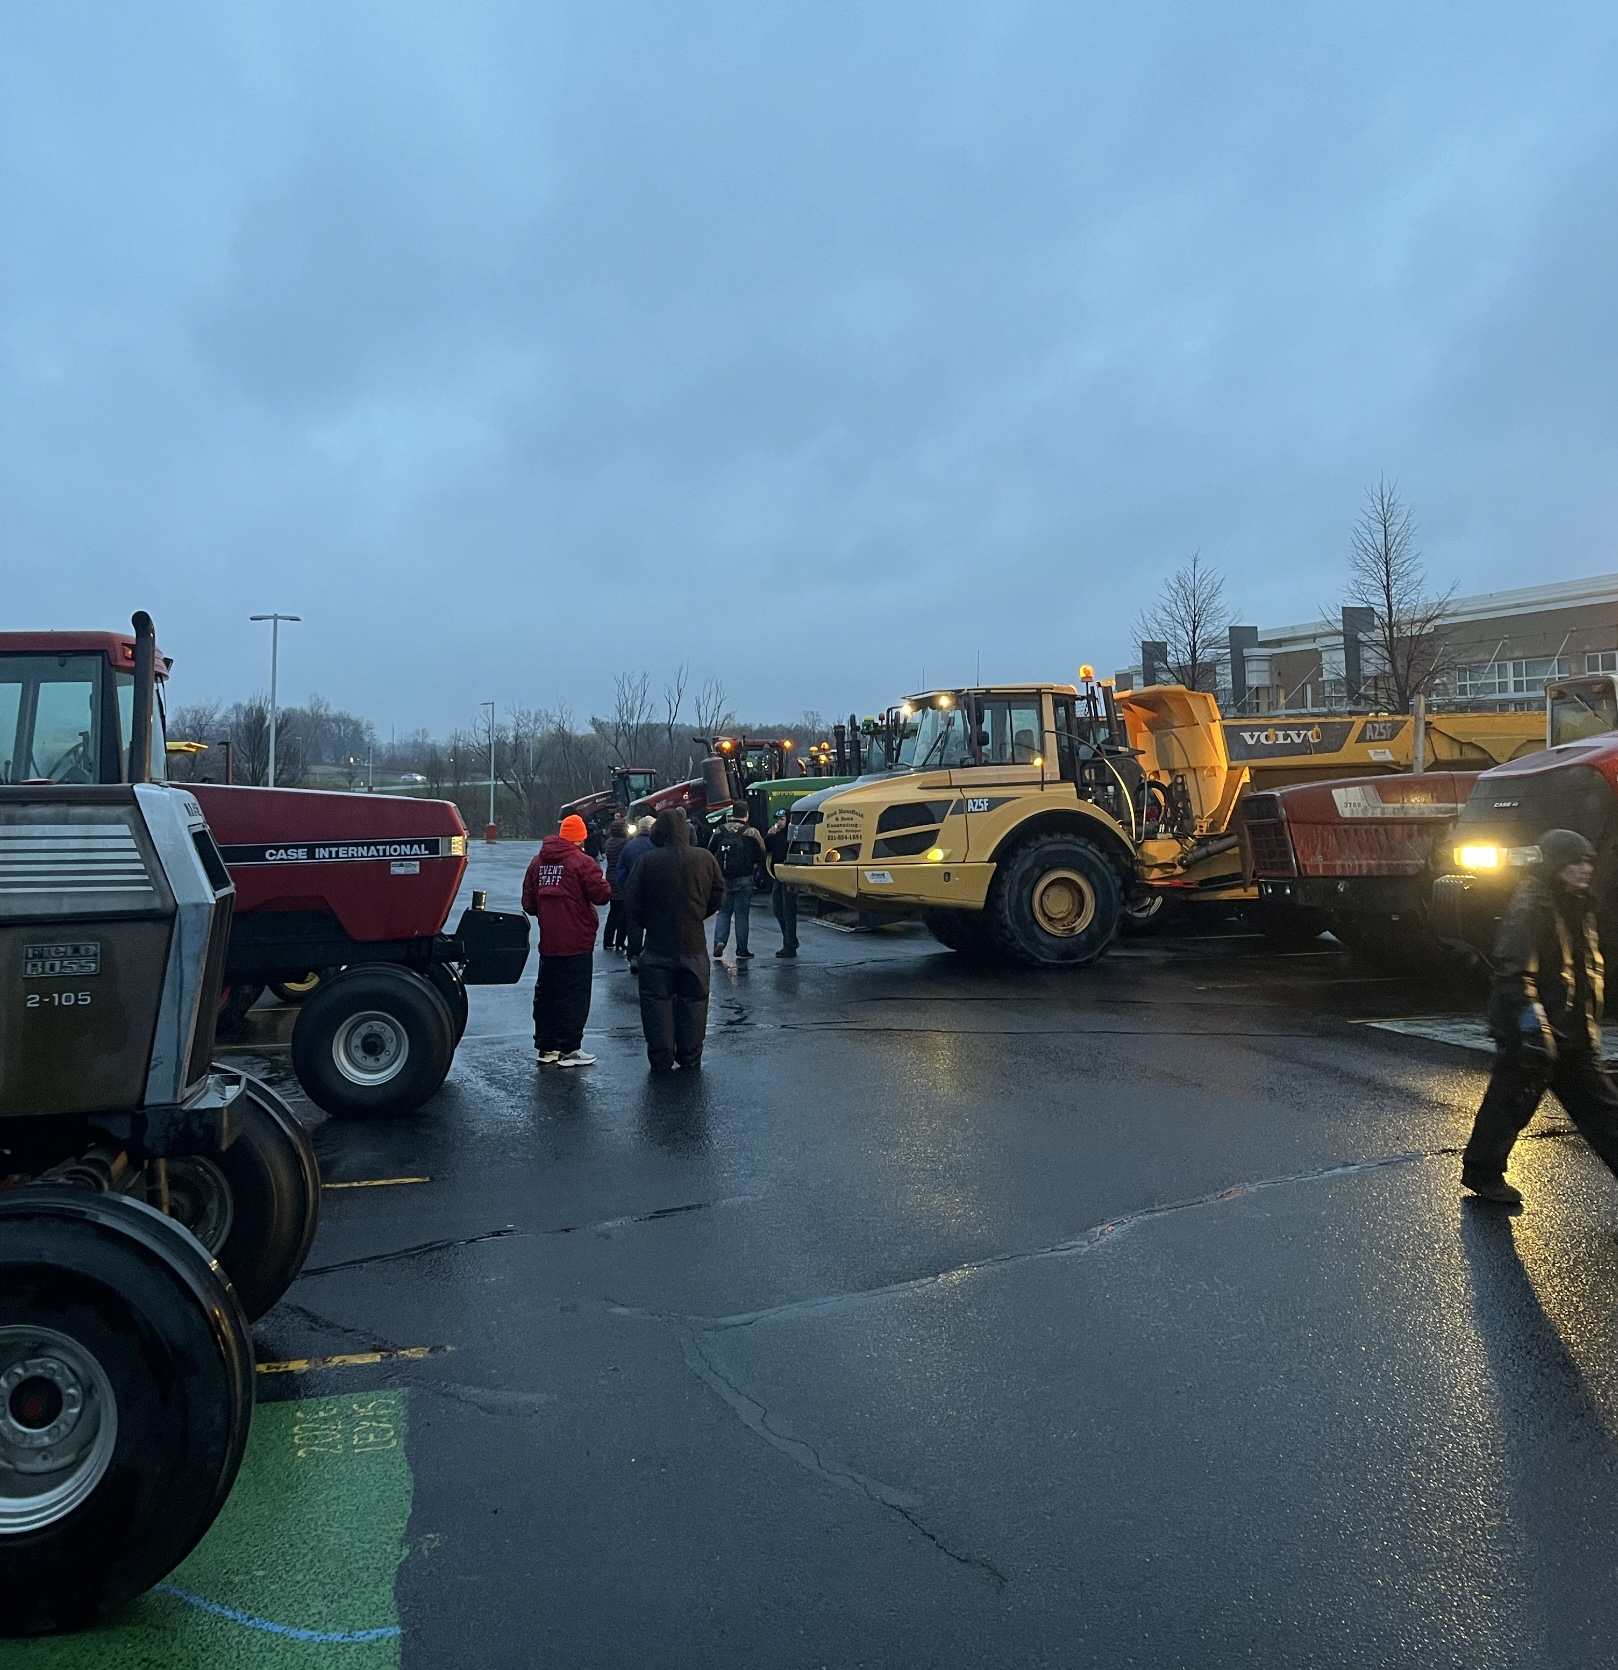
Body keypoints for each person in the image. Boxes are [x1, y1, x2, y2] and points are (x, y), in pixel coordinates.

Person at [1461, 827, 1618, 1205]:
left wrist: (1583, 1026)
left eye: (1588, 862)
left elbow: (1583, 972)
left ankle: (1483, 1171)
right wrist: (1532, 1028)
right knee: (1510, 1102)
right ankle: (1483, 1173)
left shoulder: (1578, 905)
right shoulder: (1531, 908)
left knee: (1604, 1112)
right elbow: (1514, 972)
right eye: (1575, 862)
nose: (1585, 869)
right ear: (1555, 865)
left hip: (1569, 1032)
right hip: (1533, 1033)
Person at [622, 807, 726, 1072]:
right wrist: (698, 914)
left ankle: (661, 1056)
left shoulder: (647, 862)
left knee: (657, 1002)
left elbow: (631, 902)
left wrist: (649, 923)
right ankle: (690, 1055)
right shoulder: (705, 859)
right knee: (694, 1001)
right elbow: (718, 896)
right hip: (693, 946)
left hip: (657, 946)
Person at [521, 812, 611, 1068]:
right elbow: (602, 894)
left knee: (547, 994)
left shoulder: (538, 862)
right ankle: (570, 1049)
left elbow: (528, 904)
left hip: (549, 941)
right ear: (580, 838)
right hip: (577, 939)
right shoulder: (581, 862)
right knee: (574, 995)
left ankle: (547, 1046)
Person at [710, 813, 767, 962]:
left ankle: (719, 941)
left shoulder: (720, 830)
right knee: (742, 915)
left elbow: (710, 850)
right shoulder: (751, 832)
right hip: (744, 878)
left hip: (724, 877)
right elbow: (762, 853)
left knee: (723, 912)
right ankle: (742, 950)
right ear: (747, 815)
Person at [615, 817, 655, 973]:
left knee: (634, 925)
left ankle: (634, 955)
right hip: (652, 892)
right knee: (653, 924)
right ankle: (648, 953)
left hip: (633, 892)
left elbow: (620, 871)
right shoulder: (657, 846)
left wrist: (626, 888)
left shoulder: (629, 846)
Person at [765, 807, 799, 958]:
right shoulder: (777, 834)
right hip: (777, 876)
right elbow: (766, 849)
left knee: (788, 911)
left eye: (782, 819)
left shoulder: (792, 835)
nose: (779, 822)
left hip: (788, 876)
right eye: (778, 819)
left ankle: (789, 944)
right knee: (778, 909)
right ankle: (791, 939)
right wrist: (769, 836)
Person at [601, 816, 630, 951]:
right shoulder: (625, 844)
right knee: (623, 913)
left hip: (610, 877)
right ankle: (620, 941)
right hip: (621, 879)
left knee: (613, 912)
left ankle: (607, 940)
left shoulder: (609, 842)